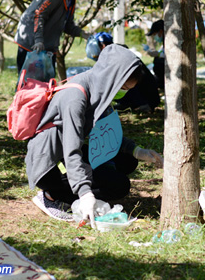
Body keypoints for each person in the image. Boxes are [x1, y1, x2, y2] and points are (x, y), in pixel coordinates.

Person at [26, 44, 163, 228]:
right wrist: (84, 192)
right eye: (123, 87)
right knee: (119, 185)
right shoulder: (76, 98)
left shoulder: (99, 88)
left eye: (129, 89)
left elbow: (107, 133)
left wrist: (137, 151)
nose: (124, 93)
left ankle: (81, 186)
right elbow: (71, 150)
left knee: (127, 161)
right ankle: (52, 195)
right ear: (112, 77)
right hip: (48, 164)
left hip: (63, 151)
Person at [14, 0, 92, 75]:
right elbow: (39, 14)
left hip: (47, 44)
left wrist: (82, 34)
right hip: (31, 41)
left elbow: (68, 25)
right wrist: (38, 40)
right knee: (28, 81)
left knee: (45, 80)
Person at [86, 32, 160, 113]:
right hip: (147, 94)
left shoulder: (117, 55)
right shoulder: (117, 51)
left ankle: (141, 104)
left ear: (103, 46)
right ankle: (125, 103)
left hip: (148, 96)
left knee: (122, 81)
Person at [144, 19, 165, 90]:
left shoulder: (169, 42)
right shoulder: (164, 44)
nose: (155, 37)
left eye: (154, 34)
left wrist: (157, 55)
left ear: (161, 31)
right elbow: (160, 53)